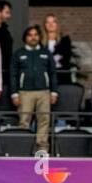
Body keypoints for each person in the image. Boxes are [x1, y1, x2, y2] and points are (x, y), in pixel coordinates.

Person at [11, 25, 58, 153]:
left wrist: (54, 92)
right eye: (30, 35)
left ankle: (41, 149)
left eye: (35, 35)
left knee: (44, 120)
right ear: (25, 38)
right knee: (24, 120)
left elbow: (53, 73)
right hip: (24, 92)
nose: (33, 37)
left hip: (44, 92)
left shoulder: (45, 53)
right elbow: (13, 75)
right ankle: (23, 149)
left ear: (39, 37)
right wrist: (14, 94)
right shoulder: (19, 54)